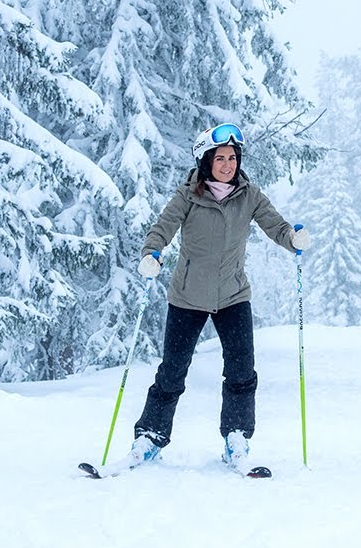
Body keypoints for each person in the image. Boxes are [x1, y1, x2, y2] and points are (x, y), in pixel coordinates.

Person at [124, 122, 308, 472]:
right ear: (206, 160)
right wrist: (151, 253)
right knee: (171, 372)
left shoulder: (249, 196)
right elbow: (162, 228)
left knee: (241, 371)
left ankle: (236, 438)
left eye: (232, 158)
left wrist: (291, 237)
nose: (227, 165)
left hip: (233, 296)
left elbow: (275, 225)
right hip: (187, 297)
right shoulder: (187, 196)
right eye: (220, 158)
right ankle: (149, 437)